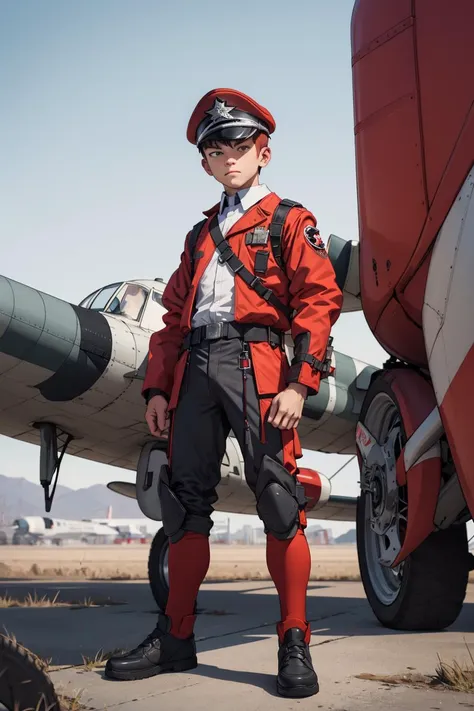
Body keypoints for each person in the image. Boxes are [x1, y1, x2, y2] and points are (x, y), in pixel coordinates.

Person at [105, 88, 343, 697]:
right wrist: (157, 388)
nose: (229, 156)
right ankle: (176, 638)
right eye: (216, 149)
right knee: (186, 508)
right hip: (197, 369)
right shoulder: (198, 236)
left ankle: (295, 642)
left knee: (278, 501)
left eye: (239, 145)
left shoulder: (290, 220)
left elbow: (319, 301)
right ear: (205, 163)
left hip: (257, 365)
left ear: (263, 152)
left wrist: (301, 381)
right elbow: (173, 320)